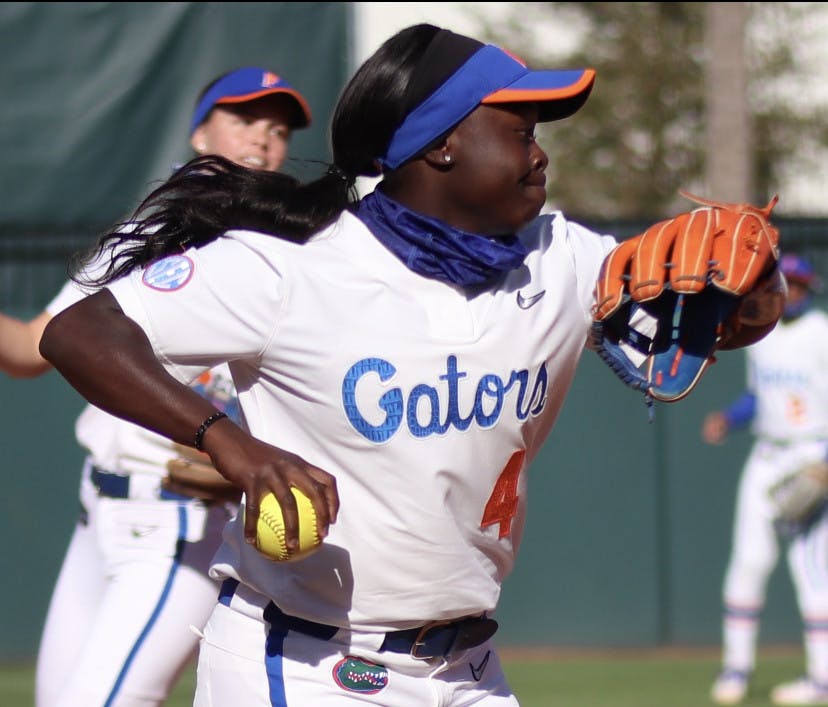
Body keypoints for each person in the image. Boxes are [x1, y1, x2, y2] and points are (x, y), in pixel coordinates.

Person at [38, 24, 779, 706]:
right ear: (441, 144)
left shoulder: (563, 258)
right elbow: (79, 331)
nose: (540, 152)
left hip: (469, 669)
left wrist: (752, 293)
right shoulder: (295, 267)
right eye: (519, 130)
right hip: (303, 662)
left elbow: (708, 314)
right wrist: (232, 443)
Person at [0, 65, 311, 706]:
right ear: (200, 133)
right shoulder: (146, 233)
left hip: (182, 521)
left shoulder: (286, 253)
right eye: (244, 118)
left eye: (278, 128)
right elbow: (33, 348)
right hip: (99, 515)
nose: (263, 138)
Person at [706, 253, 828, 706]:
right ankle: (736, 669)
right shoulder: (761, 334)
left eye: (796, 284)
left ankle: (821, 679)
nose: (789, 291)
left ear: (807, 287)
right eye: (784, 284)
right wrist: (729, 418)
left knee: (813, 571)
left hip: (812, 455)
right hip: (766, 456)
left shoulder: (821, 333)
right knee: (749, 562)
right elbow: (760, 397)